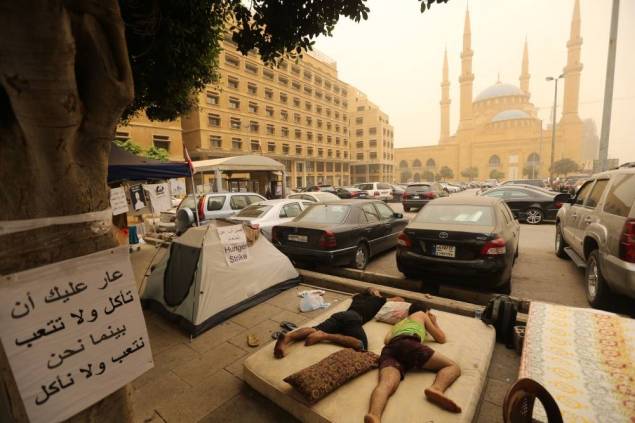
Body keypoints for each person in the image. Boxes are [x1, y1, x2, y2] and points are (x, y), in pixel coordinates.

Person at [365, 306, 462, 423]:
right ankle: (436, 389)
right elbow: (441, 338)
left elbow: (386, 340)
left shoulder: (397, 325)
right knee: (453, 367)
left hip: (389, 349)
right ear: (426, 311)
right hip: (408, 343)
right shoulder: (421, 314)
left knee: (386, 384)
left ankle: (374, 415)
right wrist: (434, 322)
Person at [273, 287, 403, 358]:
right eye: (376, 291)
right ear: (373, 293)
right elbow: (400, 299)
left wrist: (371, 292)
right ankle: (324, 336)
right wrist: (380, 296)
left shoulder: (358, 297)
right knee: (362, 345)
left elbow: (356, 294)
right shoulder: (379, 300)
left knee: (314, 328)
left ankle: (288, 337)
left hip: (341, 315)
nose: (378, 291)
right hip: (354, 318)